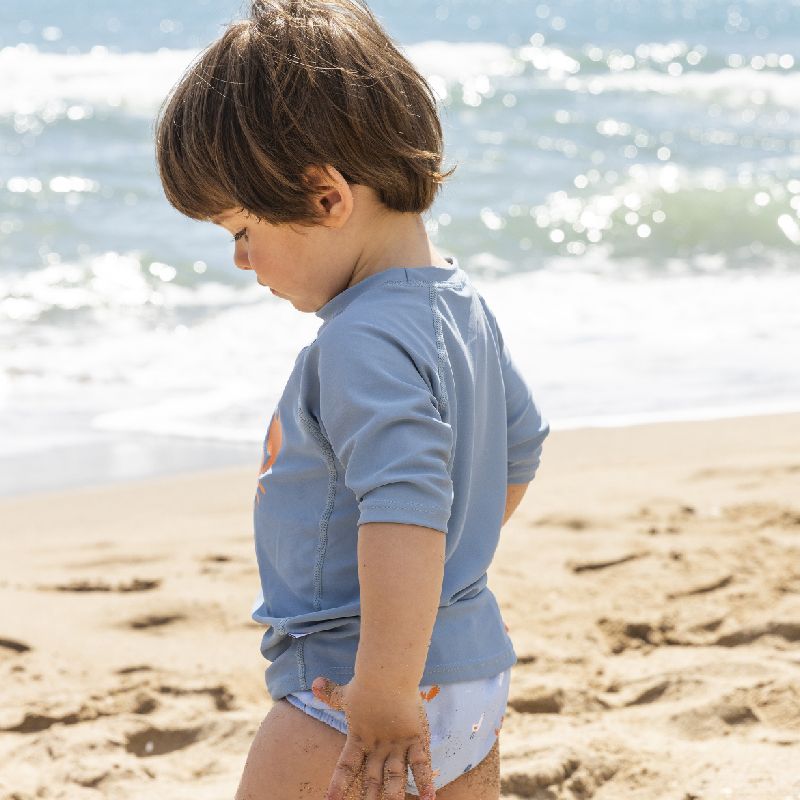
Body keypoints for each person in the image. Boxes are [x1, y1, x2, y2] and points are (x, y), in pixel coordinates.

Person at [154, 1, 549, 797]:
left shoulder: (356, 340)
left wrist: (386, 681)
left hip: (351, 684)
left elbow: (406, 505)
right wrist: (442, 580)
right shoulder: (461, 306)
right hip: (470, 671)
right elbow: (520, 449)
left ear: (326, 197)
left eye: (241, 230)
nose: (240, 260)